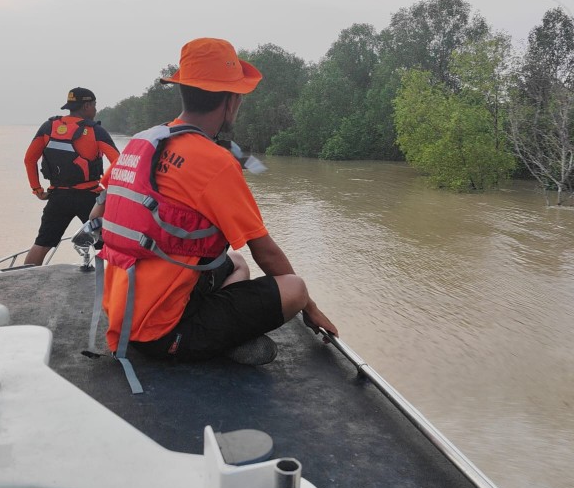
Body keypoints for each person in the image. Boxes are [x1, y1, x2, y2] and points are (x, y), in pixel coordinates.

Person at [93, 37, 338, 366]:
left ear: (183, 90)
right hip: (163, 335)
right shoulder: (215, 162)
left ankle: (217, 330)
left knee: (235, 262)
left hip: (123, 312)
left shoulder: (142, 143)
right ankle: (212, 341)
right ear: (232, 100)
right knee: (295, 289)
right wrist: (311, 308)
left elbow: (98, 212)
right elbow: (265, 251)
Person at [23, 87, 119, 265]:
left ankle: (24, 279)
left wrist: (37, 189)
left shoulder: (48, 127)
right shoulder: (95, 130)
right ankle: (115, 281)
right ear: (86, 106)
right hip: (90, 198)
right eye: (94, 105)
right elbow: (118, 163)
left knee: (42, 244)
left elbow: (29, 159)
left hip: (57, 197)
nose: (95, 110)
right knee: (110, 245)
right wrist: (109, 192)